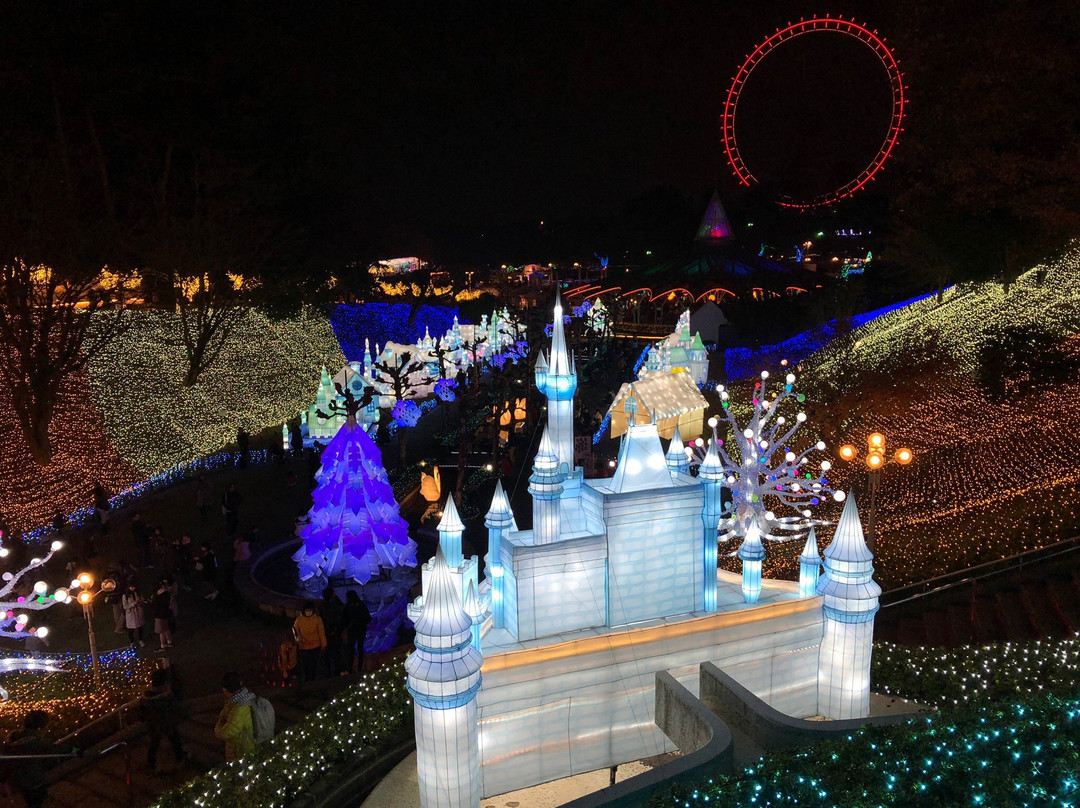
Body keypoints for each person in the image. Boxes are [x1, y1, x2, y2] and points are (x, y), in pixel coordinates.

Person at [140, 669, 187, 772]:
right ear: (165, 683)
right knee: (174, 739)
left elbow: (141, 712)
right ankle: (180, 758)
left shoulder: (145, 698)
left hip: (153, 725)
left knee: (154, 743)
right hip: (167, 724)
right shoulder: (166, 698)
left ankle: (151, 764)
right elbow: (176, 708)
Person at [6, 710, 49, 808]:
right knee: (37, 801)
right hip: (33, 782)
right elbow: (56, 749)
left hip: (19, 782)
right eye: (45, 727)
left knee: (30, 799)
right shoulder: (34, 744)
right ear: (39, 729)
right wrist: (74, 750)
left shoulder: (13, 737)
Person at [213, 672, 256, 762]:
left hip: (242, 750)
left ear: (225, 689)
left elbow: (225, 732)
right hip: (248, 744)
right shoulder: (246, 697)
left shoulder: (240, 707)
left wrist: (218, 727)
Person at [292, 601, 326, 683]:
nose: (308, 612)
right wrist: (299, 639)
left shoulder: (317, 619)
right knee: (305, 665)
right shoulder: (299, 620)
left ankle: (313, 680)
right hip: (304, 647)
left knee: (314, 665)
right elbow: (295, 631)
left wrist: (324, 643)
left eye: (310, 610)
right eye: (307, 610)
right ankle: (307, 680)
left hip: (315, 646)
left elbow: (321, 632)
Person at [342, 590, 371, 674]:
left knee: (351, 650)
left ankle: (350, 668)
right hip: (360, 630)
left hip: (352, 630)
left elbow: (343, 619)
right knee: (360, 649)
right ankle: (359, 668)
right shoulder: (361, 605)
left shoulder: (347, 607)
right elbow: (368, 618)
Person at [319, 587, 344, 676]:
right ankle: (335, 672)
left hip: (328, 633)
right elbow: (340, 617)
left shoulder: (322, 606)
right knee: (336, 653)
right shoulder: (335, 606)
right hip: (333, 634)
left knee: (328, 655)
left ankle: (329, 673)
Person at [151, 581, 173, 651]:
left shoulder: (157, 597)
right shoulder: (167, 594)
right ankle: (169, 642)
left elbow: (155, 605)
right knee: (166, 628)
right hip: (165, 613)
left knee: (161, 631)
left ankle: (162, 646)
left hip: (159, 615)